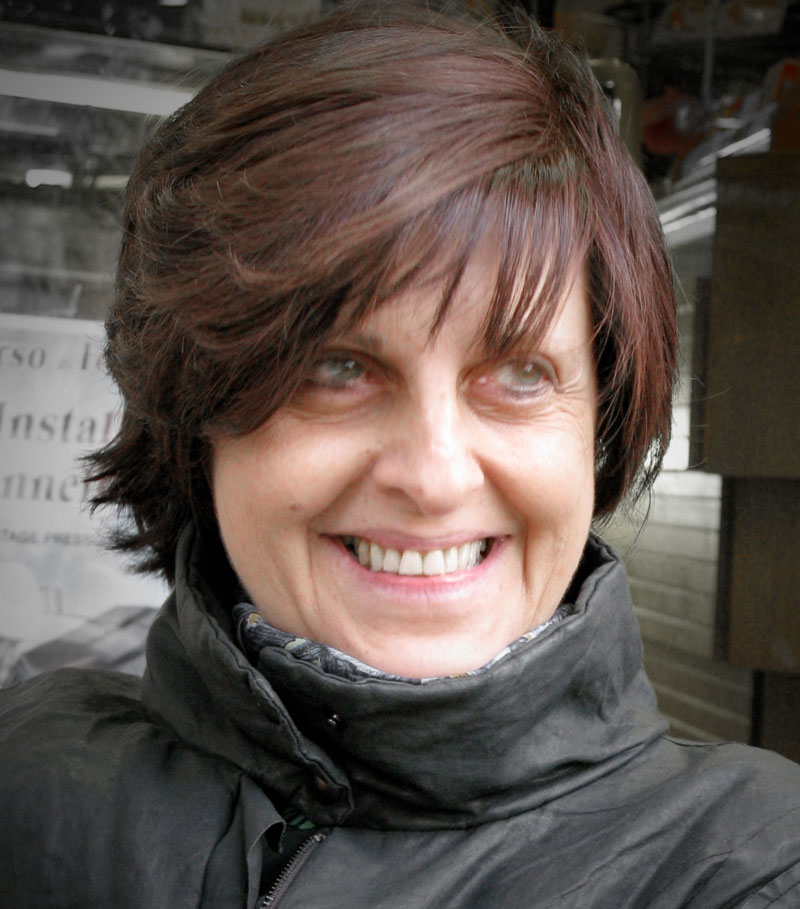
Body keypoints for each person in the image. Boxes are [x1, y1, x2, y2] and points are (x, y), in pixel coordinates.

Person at [2, 3, 799, 906]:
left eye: (520, 373)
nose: (434, 475)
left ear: (600, 425)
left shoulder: (750, 869)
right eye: (338, 368)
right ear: (195, 414)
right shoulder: (30, 787)